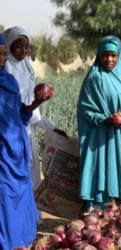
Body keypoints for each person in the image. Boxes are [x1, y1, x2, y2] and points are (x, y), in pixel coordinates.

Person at [2, 27, 67, 222]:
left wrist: (49, 125)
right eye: (18, 46)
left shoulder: (27, 67)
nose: (23, 51)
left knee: (29, 172)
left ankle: (29, 216)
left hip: (25, 127)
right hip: (8, 131)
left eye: (26, 47)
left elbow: (29, 106)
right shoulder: (5, 70)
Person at [77, 35, 121, 212]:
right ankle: (97, 213)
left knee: (119, 171)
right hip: (101, 136)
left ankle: (119, 216)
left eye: (113, 55)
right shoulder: (94, 78)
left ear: (119, 56)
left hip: (120, 135)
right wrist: (106, 118)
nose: (109, 59)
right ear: (99, 55)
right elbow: (84, 109)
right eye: (105, 55)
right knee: (103, 172)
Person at [0, 33, 49, 249]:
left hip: (16, 147)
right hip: (2, 151)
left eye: (3, 55)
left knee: (20, 192)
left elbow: (21, 113)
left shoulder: (9, 80)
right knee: (4, 196)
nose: (2, 59)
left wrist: (36, 101)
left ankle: (22, 240)